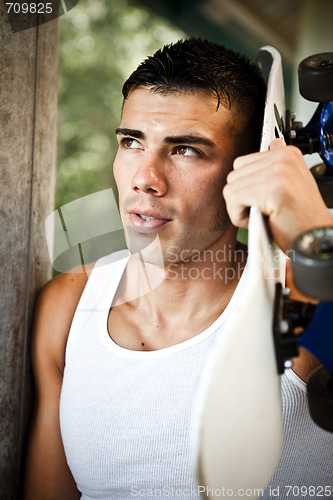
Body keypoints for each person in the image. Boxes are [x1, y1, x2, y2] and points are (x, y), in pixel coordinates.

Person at [22, 38, 333, 500]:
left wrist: (315, 232)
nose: (144, 178)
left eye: (185, 149)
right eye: (131, 142)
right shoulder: (68, 305)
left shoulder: (305, 300)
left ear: (249, 170)